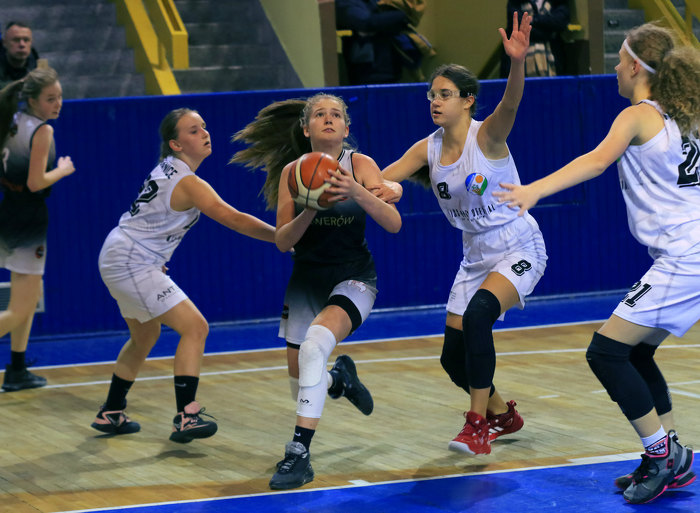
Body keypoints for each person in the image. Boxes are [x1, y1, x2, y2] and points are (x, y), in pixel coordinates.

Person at [494, 23, 699, 504]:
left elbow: (595, 161)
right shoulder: (685, 117)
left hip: (686, 257)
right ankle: (673, 454)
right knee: (636, 352)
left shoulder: (639, 115)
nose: (614, 69)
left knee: (605, 353)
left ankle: (660, 454)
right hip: (690, 253)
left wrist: (533, 190)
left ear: (636, 67)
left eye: (620, 60)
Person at [373, 12, 547, 456]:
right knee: (453, 358)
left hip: (517, 243)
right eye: (432, 94)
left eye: (445, 94)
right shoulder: (427, 148)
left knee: (477, 318)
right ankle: (502, 415)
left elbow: (511, 103)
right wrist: (358, 185)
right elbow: (380, 182)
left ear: (468, 101)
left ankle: (477, 426)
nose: (435, 101)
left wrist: (517, 62)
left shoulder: (487, 136)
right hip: (475, 254)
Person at [232, 92, 401, 489]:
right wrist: (310, 206)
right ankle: (339, 380)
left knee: (314, 348)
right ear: (306, 129)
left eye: (336, 115)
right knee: (302, 386)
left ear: (346, 127)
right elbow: (282, 241)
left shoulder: (361, 164)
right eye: (320, 115)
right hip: (307, 280)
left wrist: (356, 191)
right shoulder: (293, 172)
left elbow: (393, 224)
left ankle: (298, 455)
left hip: (354, 276)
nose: (329, 119)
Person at [91, 108, 275, 443]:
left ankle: (111, 412)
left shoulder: (169, 168)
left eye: (204, 126)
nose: (205, 133)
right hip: (130, 260)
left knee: (145, 336)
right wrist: (281, 237)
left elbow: (151, 217)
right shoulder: (187, 181)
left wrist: (151, 255)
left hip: (123, 254)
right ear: (175, 144)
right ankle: (186, 416)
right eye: (193, 130)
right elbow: (233, 218)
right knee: (195, 327)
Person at [0, 67, 74, 392]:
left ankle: (17, 368)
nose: (58, 104)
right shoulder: (42, 130)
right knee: (20, 309)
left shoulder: (12, 120)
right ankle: (17, 368)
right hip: (28, 218)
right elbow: (35, 182)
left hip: (8, 211)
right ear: (32, 100)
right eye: (50, 99)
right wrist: (62, 170)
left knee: (25, 301)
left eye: (60, 97)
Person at [500, 1, 570, 78]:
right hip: (519, 61)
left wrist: (534, 19)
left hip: (553, 59)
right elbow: (519, 27)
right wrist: (549, 32)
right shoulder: (515, 2)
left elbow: (560, 22)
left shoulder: (557, 2)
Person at [0, 22, 39, 89]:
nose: (22, 45)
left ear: (31, 43)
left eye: (26, 40)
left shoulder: (38, 70)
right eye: (16, 40)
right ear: (4, 43)